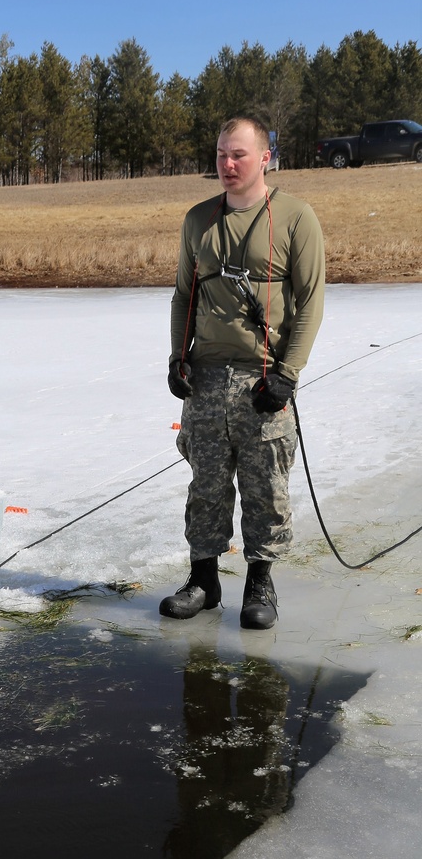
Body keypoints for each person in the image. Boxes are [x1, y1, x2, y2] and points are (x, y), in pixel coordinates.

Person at [162, 115, 324, 628]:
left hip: (263, 382)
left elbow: (310, 304)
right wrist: (177, 356)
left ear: (265, 158)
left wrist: (288, 374)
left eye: (239, 155)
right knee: (206, 483)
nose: (228, 165)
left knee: (265, 484)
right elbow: (184, 295)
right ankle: (203, 580)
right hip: (207, 379)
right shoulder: (198, 220)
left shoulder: (296, 218)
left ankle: (260, 585)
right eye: (221, 156)